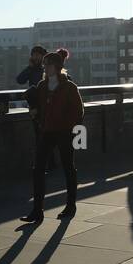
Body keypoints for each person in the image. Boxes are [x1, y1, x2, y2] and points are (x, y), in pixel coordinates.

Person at [23, 49, 83, 224]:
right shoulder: (42, 86)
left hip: (64, 133)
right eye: (44, 65)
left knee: (68, 168)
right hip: (47, 132)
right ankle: (37, 210)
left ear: (57, 67)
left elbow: (79, 112)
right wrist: (35, 112)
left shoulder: (69, 87)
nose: (45, 67)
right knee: (38, 169)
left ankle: (70, 206)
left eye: (48, 65)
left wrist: (68, 127)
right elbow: (40, 108)